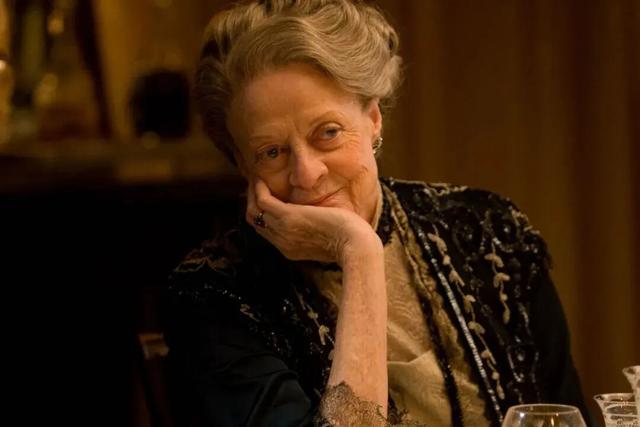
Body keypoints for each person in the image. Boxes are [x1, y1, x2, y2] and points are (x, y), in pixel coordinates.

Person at [163, 1, 591, 425]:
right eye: (271, 152)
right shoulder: (214, 293)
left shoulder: (488, 230)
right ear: (242, 164)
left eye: (328, 133)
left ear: (373, 119)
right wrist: (359, 253)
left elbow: (565, 416)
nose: (307, 174)